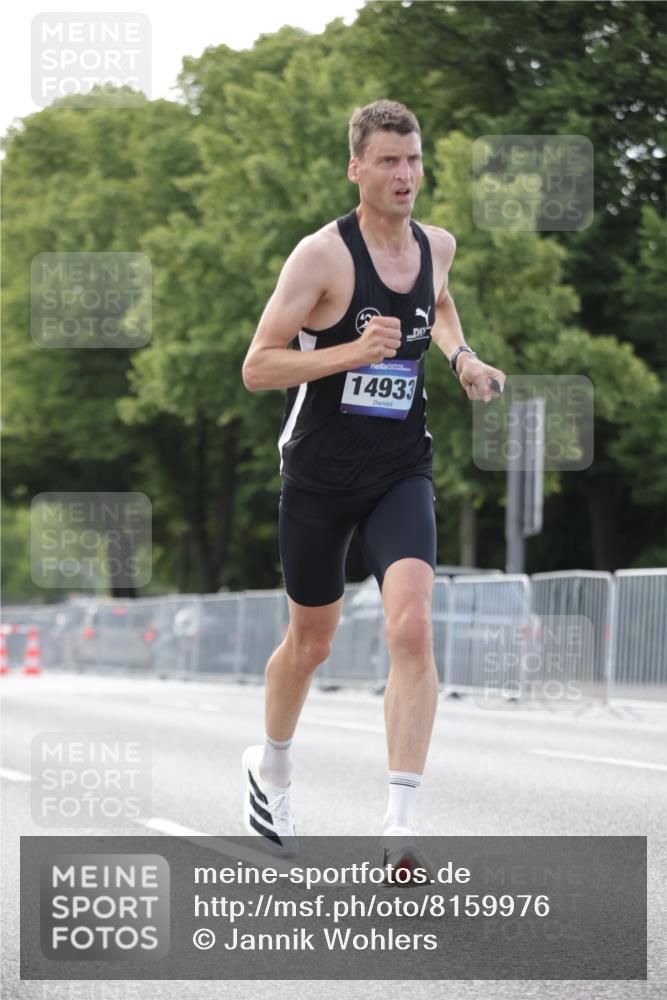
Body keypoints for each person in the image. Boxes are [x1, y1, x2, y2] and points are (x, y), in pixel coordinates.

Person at [240, 99, 505, 862]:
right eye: (388, 160)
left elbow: (440, 302)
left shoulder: (437, 246)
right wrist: (347, 354)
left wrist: (460, 358)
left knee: (411, 626)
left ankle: (398, 827)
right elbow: (258, 366)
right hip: (319, 476)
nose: (404, 174)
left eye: (413, 159)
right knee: (311, 644)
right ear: (356, 168)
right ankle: (273, 764)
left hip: (399, 467)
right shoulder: (319, 257)